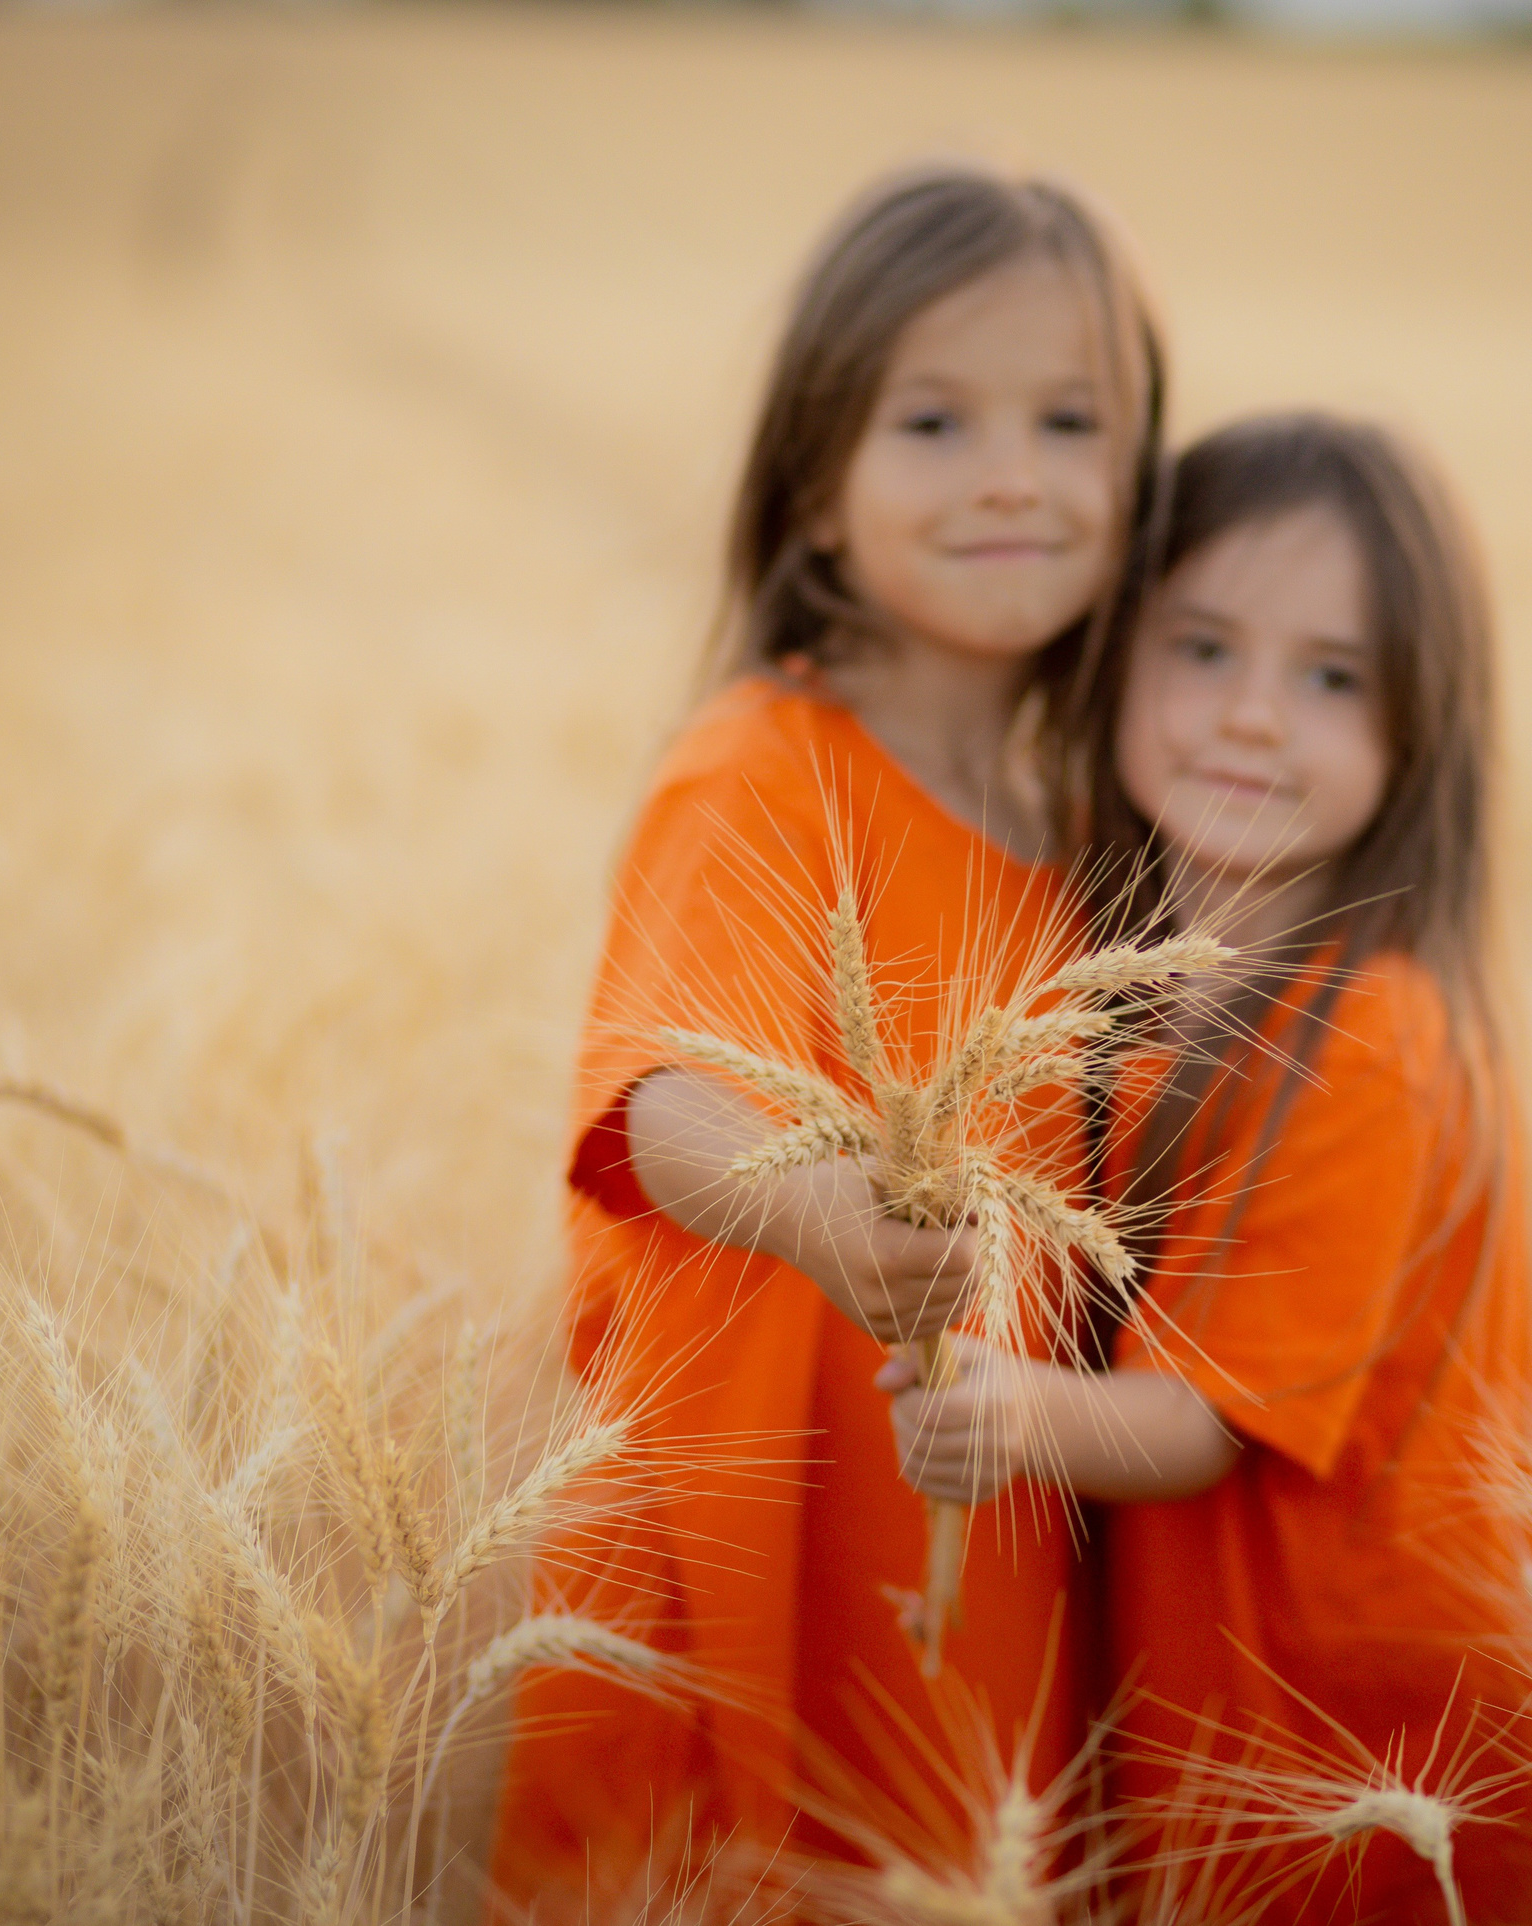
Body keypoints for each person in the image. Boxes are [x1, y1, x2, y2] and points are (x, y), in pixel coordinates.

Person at [487, 164, 1166, 1915]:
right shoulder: (765, 767)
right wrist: (819, 1218)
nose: (1013, 473)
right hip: (746, 1582)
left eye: (1071, 420)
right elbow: (657, 1100)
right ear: (813, 488)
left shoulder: (1091, 819)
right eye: (934, 420)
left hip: (972, 1598)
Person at [885, 414, 1532, 1922]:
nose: (1253, 717)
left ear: (1421, 732)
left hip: (1374, 1757)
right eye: (1203, 647)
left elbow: (1207, 1418)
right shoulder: (1129, 982)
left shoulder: (1376, 1036)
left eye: (1332, 677)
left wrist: (1012, 1409)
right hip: (1219, 1719)